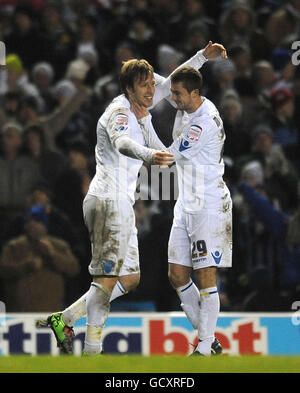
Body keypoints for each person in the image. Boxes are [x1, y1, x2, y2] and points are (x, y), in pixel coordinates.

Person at [37, 41, 226, 355]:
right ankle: (92, 352)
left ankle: (66, 319)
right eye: (145, 86)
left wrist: (201, 58)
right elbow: (124, 144)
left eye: (153, 83)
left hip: (122, 203)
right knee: (107, 278)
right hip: (107, 200)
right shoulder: (120, 112)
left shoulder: (145, 112)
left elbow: (172, 85)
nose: (153, 90)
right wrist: (150, 155)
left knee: (130, 278)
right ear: (129, 89)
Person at [133, 63, 231, 356]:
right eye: (172, 93)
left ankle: (203, 346)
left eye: (178, 94)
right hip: (186, 202)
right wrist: (146, 76)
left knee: (205, 277)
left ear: (195, 93)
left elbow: (164, 160)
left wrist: (144, 121)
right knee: (177, 275)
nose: (172, 98)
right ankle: (208, 339)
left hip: (209, 204)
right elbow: (170, 82)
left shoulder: (202, 124)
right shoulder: (190, 103)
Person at [0, 205, 80, 312]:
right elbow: (3, 270)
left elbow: (74, 268)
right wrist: (26, 266)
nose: (33, 225)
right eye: (29, 222)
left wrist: (53, 254)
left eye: (37, 221)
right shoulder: (15, 246)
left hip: (50, 309)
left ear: (44, 224)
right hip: (20, 311)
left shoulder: (59, 246)